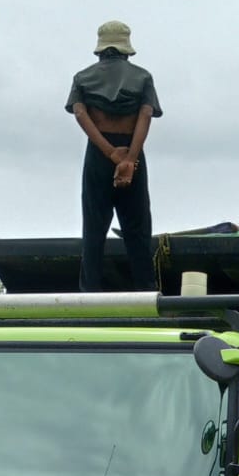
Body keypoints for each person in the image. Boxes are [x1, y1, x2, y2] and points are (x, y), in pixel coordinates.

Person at [66, 20, 161, 292]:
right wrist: (130, 158)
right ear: (127, 49)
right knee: (138, 230)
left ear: (99, 49)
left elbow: (80, 113)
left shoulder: (82, 78)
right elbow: (145, 115)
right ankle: (146, 293)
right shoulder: (143, 78)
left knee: (94, 230)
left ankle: (89, 295)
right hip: (132, 152)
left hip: (99, 154)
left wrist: (109, 153)